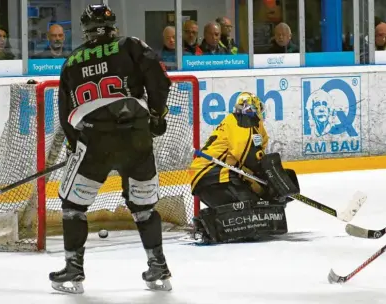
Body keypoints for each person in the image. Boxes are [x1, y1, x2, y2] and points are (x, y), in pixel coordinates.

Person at [50, 4, 172, 294]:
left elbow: (66, 111)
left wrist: (73, 144)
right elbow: (159, 80)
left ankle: (74, 272)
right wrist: (156, 115)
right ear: (112, 24)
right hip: (136, 138)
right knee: (144, 207)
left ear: (85, 29)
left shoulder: (71, 61)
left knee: (72, 207)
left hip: (95, 143)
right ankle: (158, 267)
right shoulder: (130, 46)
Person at [189, 92, 300, 244]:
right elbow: (251, 159)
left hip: (221, 177)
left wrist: (268, 190)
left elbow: (248, 167)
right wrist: (272, 180)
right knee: (252, 212)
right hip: (214, 176)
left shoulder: (240, 122)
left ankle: (210, 222)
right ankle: (206, 223)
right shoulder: (242, 122)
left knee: (258, 205)